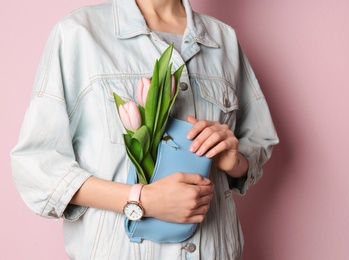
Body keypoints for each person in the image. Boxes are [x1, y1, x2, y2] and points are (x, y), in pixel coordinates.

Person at [11, 0, 279, 259]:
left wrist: (235, 161)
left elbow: (258, 141)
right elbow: (37, 167)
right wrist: (141, 200)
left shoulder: (224, 40)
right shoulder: (80, 33)